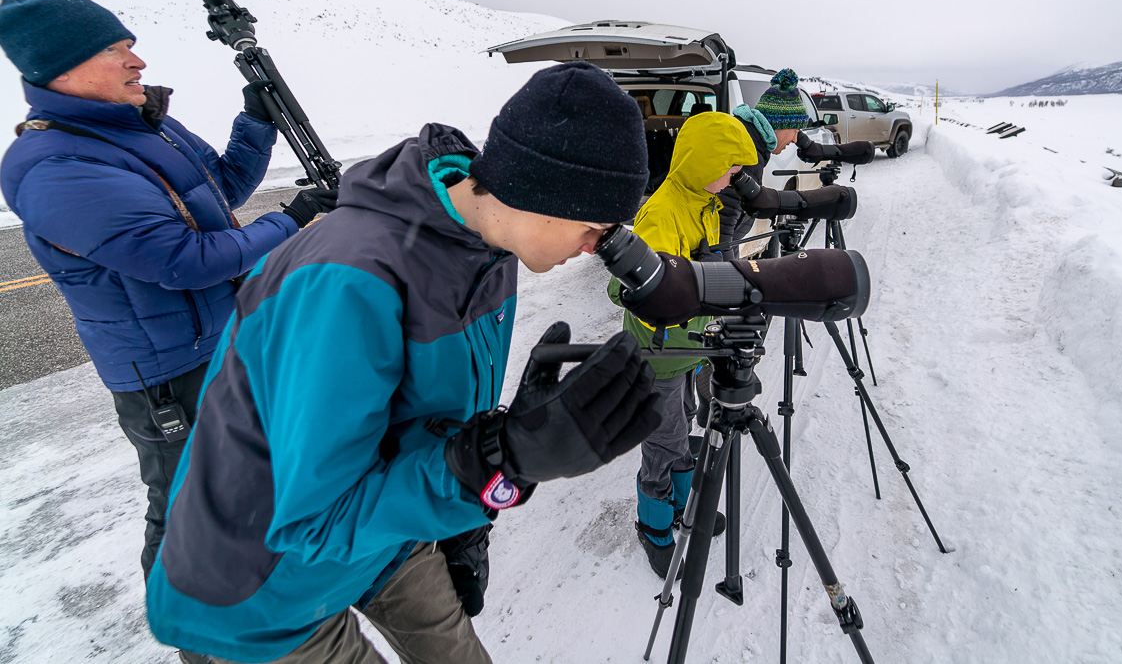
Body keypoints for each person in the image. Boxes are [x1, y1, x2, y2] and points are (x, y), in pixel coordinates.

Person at [145, 61, 662, 664]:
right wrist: (499, 462)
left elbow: (427, 421)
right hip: (264, 584)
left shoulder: (488, 247)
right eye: (596, 227)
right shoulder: (348, 282)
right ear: (543, 194)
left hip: (382, 531)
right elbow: (314, 522)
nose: (596, 247)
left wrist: (470, 515)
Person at [0, 0, 335, 580]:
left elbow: (219, 193)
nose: (138, 62)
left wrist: (256, 123)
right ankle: (193, 633)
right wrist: (294, 219)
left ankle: (264, 590)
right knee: (186, 509)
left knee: (252, 480)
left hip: (224, 338)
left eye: (131, 45)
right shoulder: (56, 166)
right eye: (115, 50)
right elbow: (186, 259)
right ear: (61, 69)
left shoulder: (141, 127)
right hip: (169, 375)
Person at [608, 110, 757, 578]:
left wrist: (723, 259)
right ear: (701, 161)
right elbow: (626, 286)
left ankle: (681, 502)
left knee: (685, 424)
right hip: (659, 355)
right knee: (662, 440)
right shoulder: (664, 211)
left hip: (690, 349)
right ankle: (654, 526)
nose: (736, 177)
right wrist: (682, 280)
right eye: (729, 167)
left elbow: (712, 272)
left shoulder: (707, 203)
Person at [717, 67, 809, 257]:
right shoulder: (746, 150)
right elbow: (723, 222)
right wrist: (725, 268)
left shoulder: (753, 142)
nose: (794, 140)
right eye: (795, 131)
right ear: (780, 125)